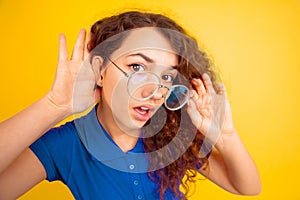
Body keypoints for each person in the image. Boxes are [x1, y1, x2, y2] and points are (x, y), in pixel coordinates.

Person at [0, 11, 261, 200]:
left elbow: (247, 187)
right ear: (100, 72)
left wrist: (225, 136)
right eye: (137, 67)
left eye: (167, 76)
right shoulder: (67, 145)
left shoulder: (170, 140)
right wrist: (54, 105)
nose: (155, 90)